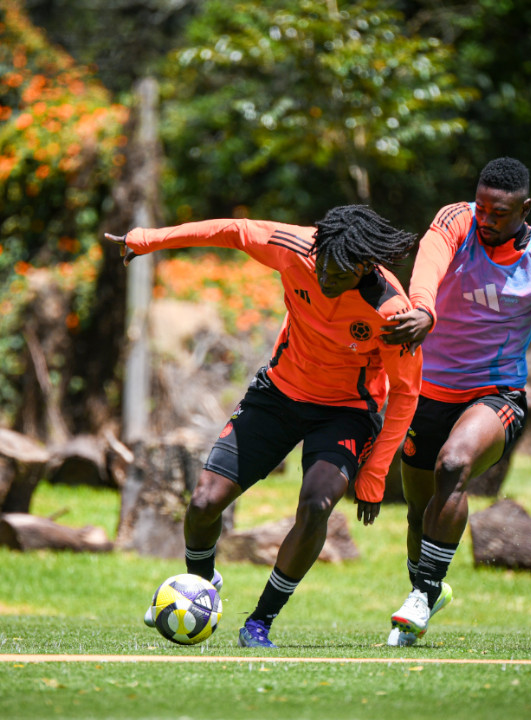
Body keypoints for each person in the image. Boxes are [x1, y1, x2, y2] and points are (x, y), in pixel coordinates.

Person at [105, 205, 423, 649]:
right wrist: (147, 239)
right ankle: (200, 588)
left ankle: (260, 621)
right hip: (277, 395)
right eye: (322, 266)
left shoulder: (392, 311)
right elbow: (231, 230)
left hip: (346, 411)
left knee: (316, 506)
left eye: (339, 273)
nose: (325, 278)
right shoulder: (295, 248)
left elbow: (407, 393)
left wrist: (373, 475)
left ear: (367, 266)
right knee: (202, 504)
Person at [378, 157, 531, 645]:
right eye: (480, 207)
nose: (485, 218)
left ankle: (422, 594)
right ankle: (426, 589)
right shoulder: (456, 220)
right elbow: (429, 265)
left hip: (495, 394)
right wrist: (424, 310)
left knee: (453, 465)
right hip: (426, 392)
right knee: (418, 513)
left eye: (498, 212)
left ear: (525, 209)